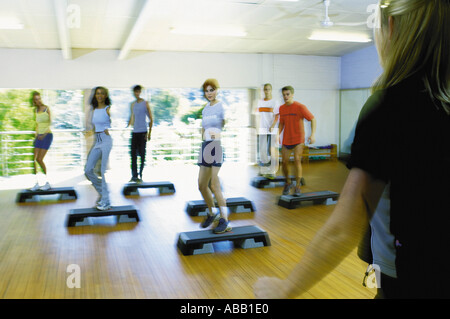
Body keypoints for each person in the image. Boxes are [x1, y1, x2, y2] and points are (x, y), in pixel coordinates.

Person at [254, 0, 450, 299]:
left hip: (410, 279)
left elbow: (343, 227)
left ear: (391, 29)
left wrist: (285, 288)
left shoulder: (392, 106)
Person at [197, 78, 231, 234]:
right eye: (206, 90)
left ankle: (224, 219)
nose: (209, 93)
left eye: (212, 90)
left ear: (217, 90)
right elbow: (202, 127)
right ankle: (212, 212)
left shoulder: (221, 106)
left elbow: (223, 123)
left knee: (214, 185)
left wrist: (215, 133)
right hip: (205, 146)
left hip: (215, 145)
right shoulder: (205, 108)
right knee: (201, 185)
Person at [278, 86, 316, 196]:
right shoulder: (281, 108)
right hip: (286, 140)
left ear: (292, 94)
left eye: (288, 94)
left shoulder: (300, 107)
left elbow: (312, 119)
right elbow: (282, 123)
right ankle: (288, 183)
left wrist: (312, 134)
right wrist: (277, 134)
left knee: (297, 159)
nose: (285, 97)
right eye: (284, 95)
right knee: (284, 162)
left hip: (298, 139)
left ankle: (298, 185)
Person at [84, 87, 113, 211]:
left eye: (102, 93)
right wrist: (90, 132)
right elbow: (96, 126)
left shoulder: (108, 109)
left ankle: (106, 202)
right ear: (95, 95)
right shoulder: (94, 109)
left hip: (106, 140)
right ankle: (103, 192)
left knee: (102, 171)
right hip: (97, 141)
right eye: (97, 93)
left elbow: (110, 123)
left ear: (105, 95)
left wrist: (108, 127)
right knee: (88, 170)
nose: (99, 95)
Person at [127, 85, 153, 183]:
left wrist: (149, 133)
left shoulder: (145, 103)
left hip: (143, 133)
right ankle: (134, 176)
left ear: (140, 92)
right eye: (135, 92)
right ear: (133, 93)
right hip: (134, 132)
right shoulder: (132, 104)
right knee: (133, 155)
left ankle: (140, 175)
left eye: (138, 92)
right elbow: (132, 117)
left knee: (142, 155)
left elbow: (151, 119)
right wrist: (127, 126)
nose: (136, 93)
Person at [254, 83, 280, 177]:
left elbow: (277, 116)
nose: (267, 91)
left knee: (271, 150)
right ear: (263, 90)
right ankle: (264, 169)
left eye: (268, 89)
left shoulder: (274, 102)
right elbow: (258, 115)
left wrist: (273, 125)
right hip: (262, 128)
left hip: (272, 128)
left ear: (271, 90)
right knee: (262, 150)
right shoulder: (260, 102)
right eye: (265, 89)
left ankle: (273, 170)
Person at [30, 91, 53, 191]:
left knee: (40, 159)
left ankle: (47, 182)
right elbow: (37, 124)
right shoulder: (35, 110)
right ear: (34, 101)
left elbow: (50, 123)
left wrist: (43, 135)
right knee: (34, 159)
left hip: (47, 135)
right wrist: (36, 134)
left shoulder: (46, 108)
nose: (38, 101)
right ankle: (37, 183)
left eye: (39, 98)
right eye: (36, 99)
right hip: (38, 136)